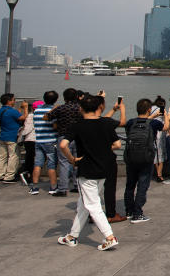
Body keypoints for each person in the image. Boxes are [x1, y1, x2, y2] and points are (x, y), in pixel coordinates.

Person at [56, 95, 120, 251]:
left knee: (92, 205)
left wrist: (72, 159)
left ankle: (109, 237)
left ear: (81, 108)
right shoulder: (106, 123)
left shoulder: (77, 125)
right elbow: (117, 144)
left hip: (86, 170)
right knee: (84, 204)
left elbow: (63, 144)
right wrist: (101, 151)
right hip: (103, 169)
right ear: (99, 107)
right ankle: (72, 236)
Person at [123, 98, 163, 223]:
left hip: (131, 157)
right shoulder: (153, 123)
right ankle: (138, 213)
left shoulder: (130, 122)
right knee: (142, 185)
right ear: (149, 110)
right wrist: (165, 115)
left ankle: (129, 211)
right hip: (146, 158)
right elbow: (166, 126)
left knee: (130, 185)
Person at [47, 88, 83, 194]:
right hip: (78, 138)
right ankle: (78, 185)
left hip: (63, 137)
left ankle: (63, 188)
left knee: (63, 162)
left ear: (64, 97)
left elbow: (47, 117)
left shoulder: (60, 108)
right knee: (77, 161)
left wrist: (54, 108)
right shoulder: (80, 109)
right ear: (76, 97)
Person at [101, 93, 128, 223]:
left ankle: (90, 214)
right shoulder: (104, 123)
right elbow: (122, 122)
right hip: (107, 159)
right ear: (101, 106)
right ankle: (111, 214)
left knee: (91, 190)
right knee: (109, 187)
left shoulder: (82, 122)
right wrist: (121, 108)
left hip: (88, 162)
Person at [0, 93, 28, 183]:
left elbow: (14, 116)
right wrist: (25, 108)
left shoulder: (0, 111)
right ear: (9, 101)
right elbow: (24, 117)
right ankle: (9, 176)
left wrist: (19, 109)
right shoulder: (12, 111)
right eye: (13, 100)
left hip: (3, 136)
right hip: (12, 137)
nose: (14, 101)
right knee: (14, 156)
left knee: (2, 157)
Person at [31, 91, 60, 195]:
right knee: (51, 164)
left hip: (38, 140)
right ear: (56, 99)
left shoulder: (37, 110)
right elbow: (55, 126)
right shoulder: (53, 111)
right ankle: (53, 187)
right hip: (50, 140)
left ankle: (34, 187)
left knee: (38, 164)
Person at [149, 96, 167, 182]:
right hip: (160, 134)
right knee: (161, 155)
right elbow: (166, 125)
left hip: (151, 134)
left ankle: (157, 173)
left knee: (155, 155)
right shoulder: (163, 111)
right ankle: (159, 175)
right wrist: (165, 115)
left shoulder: (150, 109)